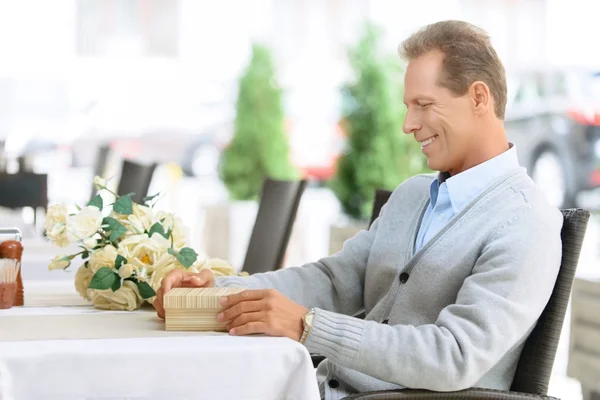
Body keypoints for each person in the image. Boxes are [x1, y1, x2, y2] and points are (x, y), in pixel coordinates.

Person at [154, 20, 563, 399]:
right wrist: (220, 291)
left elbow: (453, 356)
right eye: (408, 106)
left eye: (423, 103)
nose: (408, 123)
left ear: (478, 96)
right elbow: (334, 282)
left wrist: (308, 327)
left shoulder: (526, 223)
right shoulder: (413, 195)